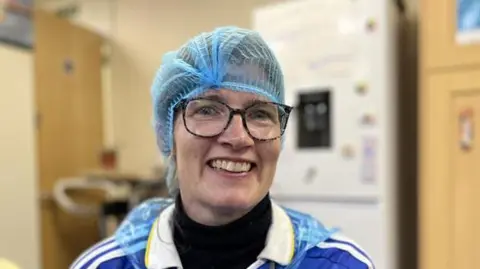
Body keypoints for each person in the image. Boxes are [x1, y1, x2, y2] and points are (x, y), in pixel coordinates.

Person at [70, 26, 375, 269]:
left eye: (260, 114)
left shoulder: (340, 265)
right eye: (207, 110)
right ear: (168, 133)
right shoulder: (105, 265)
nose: (239, 137)